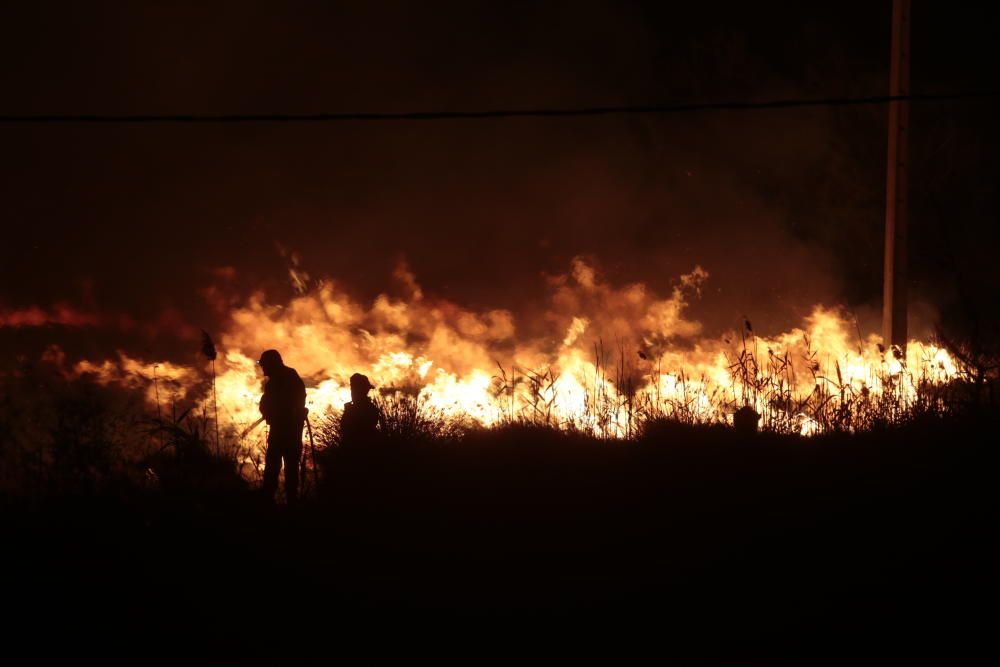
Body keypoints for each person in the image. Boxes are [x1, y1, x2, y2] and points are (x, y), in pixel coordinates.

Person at [257, 349, 307, 503]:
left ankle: (285, 506)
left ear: (272, 364)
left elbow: (296, 402)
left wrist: (277, 412)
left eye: (264, 364)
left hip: (287, 433)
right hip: (283, 432)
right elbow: (266, 403)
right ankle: (277, 503)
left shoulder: (286, 378)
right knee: (277, 471)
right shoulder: (278, 381)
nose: (262, 368)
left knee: (285, 471)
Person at [340, 373, 381, 448]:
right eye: (352, 389)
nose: (352, 392)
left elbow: (352, 432)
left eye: (353, 389)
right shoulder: (369, 408)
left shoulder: (369, 409)